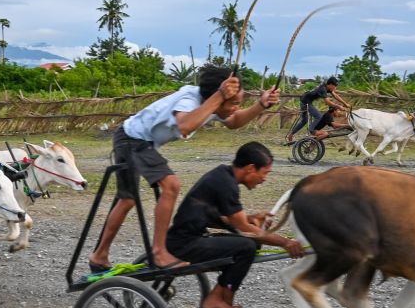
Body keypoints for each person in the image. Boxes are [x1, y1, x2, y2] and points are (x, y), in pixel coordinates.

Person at [88, 65, 279, 272]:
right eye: (233, 103)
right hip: (132, 139)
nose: (235, 107)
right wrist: (219, 96)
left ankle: (100, 255)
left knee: (128, 199)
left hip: (144, 142)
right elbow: (184, 126)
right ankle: (158, 251)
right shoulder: (189, 100)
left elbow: (233, 122)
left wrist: (261, 104)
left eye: (238, 103)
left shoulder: (212, 104)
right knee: (169, 186)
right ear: (217, 95)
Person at [166, 141, 305, 308]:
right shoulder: (225, 183)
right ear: (250, 169)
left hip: (192, 237)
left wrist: (250, 218)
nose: (264, 179)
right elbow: (243, 228)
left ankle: (217, 296)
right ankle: (223, 299)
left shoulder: (224, 176)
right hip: (183, 244)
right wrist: (286, 242)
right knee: (246, 246)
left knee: (251, 244)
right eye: (265, 173)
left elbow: (226, 219)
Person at [285, 76, 347, 143]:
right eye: (335, 86)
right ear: (330, 84)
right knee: (318, 116)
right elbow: (327, 102)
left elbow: (335, 95)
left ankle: (291, 134)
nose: (335, 88)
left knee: (304, 121)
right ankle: (312, 130)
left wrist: (345, 103)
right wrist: (338, 106)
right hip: (305, 102)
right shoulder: (323, 89)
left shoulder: (326, 87)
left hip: (306, 101)